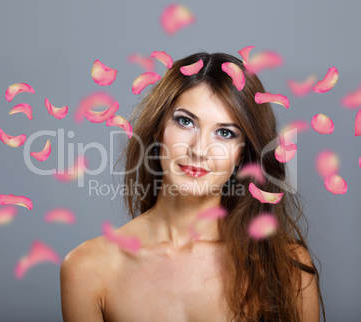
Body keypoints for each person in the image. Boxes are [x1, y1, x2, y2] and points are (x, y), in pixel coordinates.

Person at [60, 52, 326, 321]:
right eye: (185, 121)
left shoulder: (287, 264)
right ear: (157, 128)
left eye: (225, 133)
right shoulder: (88, 268)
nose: (199, 150)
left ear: (242, 155)